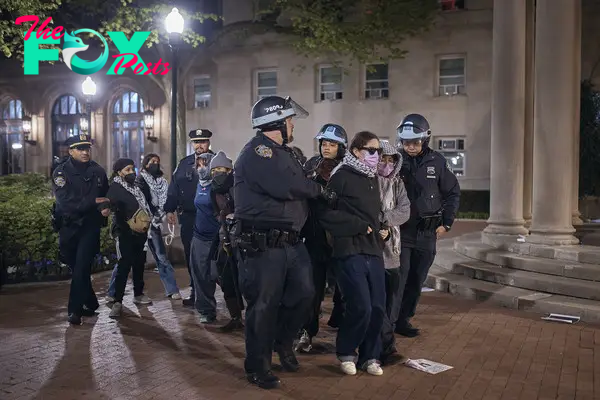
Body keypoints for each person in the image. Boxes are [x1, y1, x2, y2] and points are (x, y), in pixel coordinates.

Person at [233, 95, 333, 389]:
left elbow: (299, 177)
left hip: (292, 242)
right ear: (275, 122)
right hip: (263, 244)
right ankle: (258, 366)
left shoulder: (285, 152)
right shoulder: (258, 152)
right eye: (289, 120)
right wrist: (319, 189)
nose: (293, 125)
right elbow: (288, 185)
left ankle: (282, 342)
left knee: (305, 294)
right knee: (263, 305)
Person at [321, 131, 386, 376]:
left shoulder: (373, 178)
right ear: (357, 151)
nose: (376, 155)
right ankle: (347, 352)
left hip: (373, 249)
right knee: (361, 306)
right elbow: (326, 213)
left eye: (378, 151)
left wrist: (383, 229)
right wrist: (357, 225)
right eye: (371, 150)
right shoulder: (341, 176)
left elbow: (375, 214)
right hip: (349, 249)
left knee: (379, 307)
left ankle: (370, 356)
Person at [394, 114, 460, 337]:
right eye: (406, 142)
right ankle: (389, 322)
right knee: (398, 278)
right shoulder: (394, 161)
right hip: (401, 232)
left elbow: (452, 193)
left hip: (426, 233)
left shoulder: (438, 162)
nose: (410, 147)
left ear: (424, 140)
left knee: (416, 279)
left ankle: (403, 320)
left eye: (414, 142)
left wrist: (447, 223)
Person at [296, 123, 347, 353]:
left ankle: (344, 330)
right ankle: (307, 332)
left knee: (345, 288)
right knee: (311, 290)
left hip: (341, 239)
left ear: (341, 147)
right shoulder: (310, 167)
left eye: (332, 144)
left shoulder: (348, 169)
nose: (327, 148)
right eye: (324, 143)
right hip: (314, 239)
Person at [105, 154, 181, 302]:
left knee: (156, 258)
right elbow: (129, 204)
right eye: (152, 162)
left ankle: (169, 290)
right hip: (135, 226)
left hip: (153, 223)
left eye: (157, 162)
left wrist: (164, 213)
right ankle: (113, 293)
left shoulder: (160, 182)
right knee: (125, 262)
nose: (155, 164)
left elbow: (164, 201)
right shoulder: (138, 182)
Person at [52, 134, 109, 325]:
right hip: (69, 226)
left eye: (87, 148)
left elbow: (105, 196)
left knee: (82, 266)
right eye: (80, 148)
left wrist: (105, 207)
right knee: (75, 266)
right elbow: (65, 202)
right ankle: (91, 301)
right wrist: (94, 202)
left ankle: (74, 310)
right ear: (71, 151)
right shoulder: (61, 173)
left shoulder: (98, 171)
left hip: (89, 227)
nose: (85, 152)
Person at [164, 129, 214, 307]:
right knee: (191, 255)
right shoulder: (184, 164)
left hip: (210, 217)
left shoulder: (217, 162)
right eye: (196, 142)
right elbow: (174, 187)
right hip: (189, 217)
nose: (199, 145)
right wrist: (169, 209)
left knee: (211, 257)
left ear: (209, 142)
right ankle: (196, 290)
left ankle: (210, 292)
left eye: (203, 141)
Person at [375, 140, 411, 365]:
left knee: (389, 303)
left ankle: (384, 345)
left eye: (391, 160)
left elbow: (404, 210)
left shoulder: (397, 183)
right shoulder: (367, 182)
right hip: (371, 250)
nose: (387, 164)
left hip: (392, 252)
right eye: (383, 159)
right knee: (375, 302)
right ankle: (385, 348)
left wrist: (385, 221)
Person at [106, 158, 153, 319]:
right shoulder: (115, 188)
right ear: (119, 172)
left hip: (140, 232)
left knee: (139, 264)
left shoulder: (136, 187)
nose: (131, 172)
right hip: (125, 232)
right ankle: (117, 301)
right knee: (124, 266)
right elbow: (109, 205)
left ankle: (138, 294)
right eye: (127, 170)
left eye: (133, 169)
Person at [209, 151, 244, 332]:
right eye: (214, 170)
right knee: (224, 276)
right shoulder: (214, 190)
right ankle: (235, 316)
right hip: (225, 238)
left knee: (246, 279)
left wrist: (235, 217)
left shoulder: (238, 187)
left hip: (242, 239)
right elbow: (216, 212)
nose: (218, 173)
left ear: (230, 170)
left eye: (222, 169)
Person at [189, 152, 221, 323]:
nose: (201, 168)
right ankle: (206, 310)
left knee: (219, 274)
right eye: (199, 165)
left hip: (216, 238)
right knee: (200, 275)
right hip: (199, 237)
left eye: (205, 164)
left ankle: (237, 310)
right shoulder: (199, 185)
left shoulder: (218, 185)